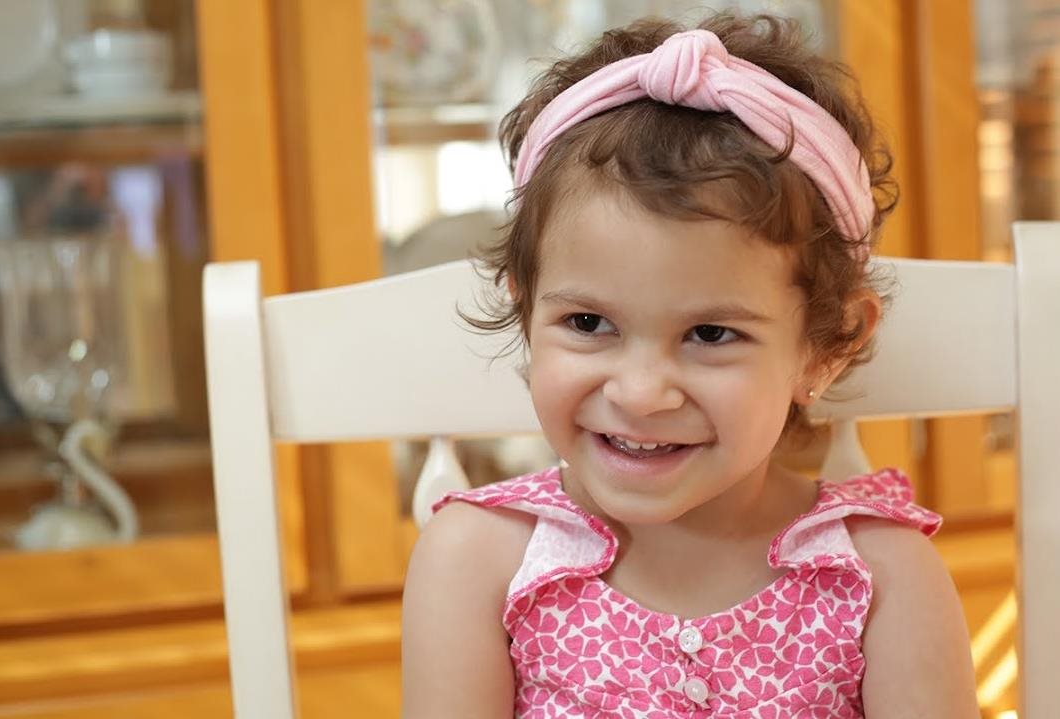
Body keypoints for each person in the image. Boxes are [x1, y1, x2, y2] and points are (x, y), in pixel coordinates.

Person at [401, 11, 978, 718]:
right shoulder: (478, 561)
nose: (641, 393)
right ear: (526, 314)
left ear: (828, 345)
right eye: (587, 323)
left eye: (709, 333)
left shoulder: (877, 575)